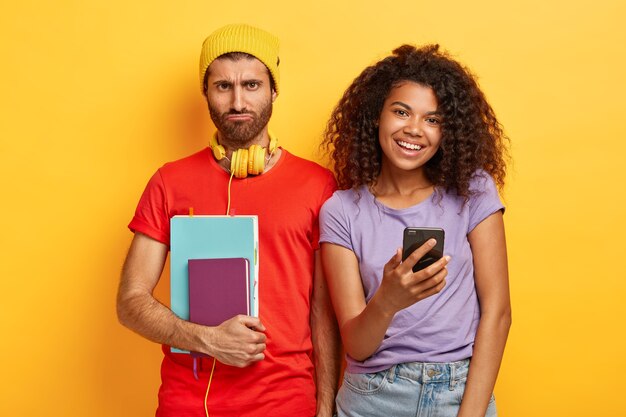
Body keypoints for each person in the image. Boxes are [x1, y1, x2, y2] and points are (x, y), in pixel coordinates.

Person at [117, 23, 340, 417]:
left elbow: (323, 309)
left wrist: (325, 407)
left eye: (252, 85)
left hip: (285, 402)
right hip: (186, 402)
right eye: (223, 86)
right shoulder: (169, 181)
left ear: (273, 91)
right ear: (206, 93)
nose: (238, 101)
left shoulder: (318, 185)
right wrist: (205, 339)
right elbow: (130, 302)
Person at [319, 44, 511, 417]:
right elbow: (356, 346)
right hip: (373, 397)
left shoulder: (474, 190)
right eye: (402, 111)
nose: (414, 129)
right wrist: (388, 300)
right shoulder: (341, 211)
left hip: (460, 392)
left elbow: (498, 313)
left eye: (433, 119)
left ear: (447, 132)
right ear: (377, 115)